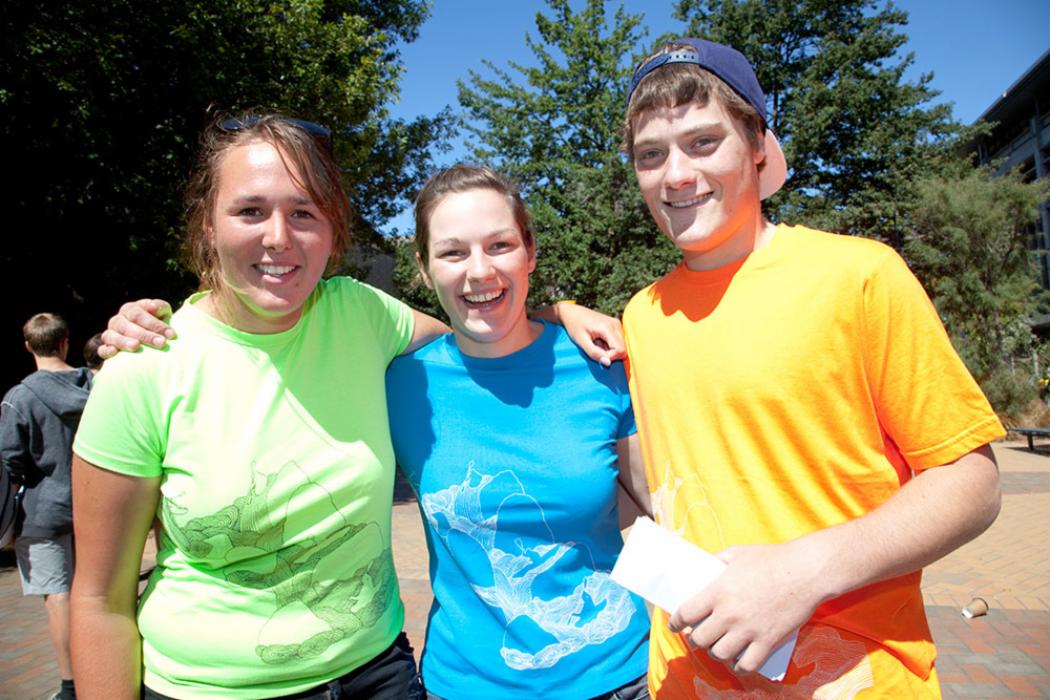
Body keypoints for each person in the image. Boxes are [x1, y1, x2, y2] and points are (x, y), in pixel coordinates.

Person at [71, 113, 618, 700]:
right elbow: (100, 599)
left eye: (303, 212)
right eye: (250, 211)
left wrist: (559, 315)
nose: (279, 237)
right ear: (207, 225)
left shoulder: (360, 314)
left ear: (331, 231)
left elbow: (477, 328)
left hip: (378, 675)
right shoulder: (143, 368)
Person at [619, 38, 1004, 696]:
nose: (676, 174)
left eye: (704, 142)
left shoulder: (857, 275)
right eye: (651, 155)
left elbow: (972, 482)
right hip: (684, 683)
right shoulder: (640, 316)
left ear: (758, 145)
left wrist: (805, 570)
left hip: (860, 682)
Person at [385, 165, 651, 700]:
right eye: (453, 252)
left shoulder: (603, 365)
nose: (478, 271)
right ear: (424, 266)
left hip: (622, 677)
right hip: (463, 686)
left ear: (530, 252)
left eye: (500, 245)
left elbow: (661, 509)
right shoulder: (398, 383)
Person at [1, 312, 94, 700]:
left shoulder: (18, 398)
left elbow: (11, 460)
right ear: (65, 342)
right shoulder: (96, 385)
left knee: (58, 598)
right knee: (101, 593)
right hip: (95, 507)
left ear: (28, 346)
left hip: (43, 513)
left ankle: (72, 686)